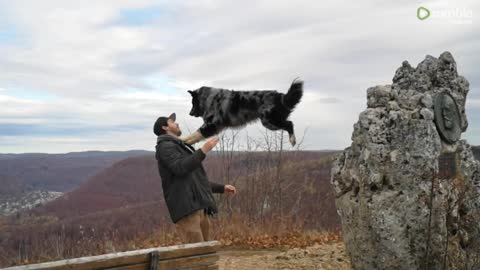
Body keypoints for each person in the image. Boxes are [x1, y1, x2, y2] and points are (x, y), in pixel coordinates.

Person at [153, 112, 236, 243]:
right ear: (165, 128)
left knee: (206, 251)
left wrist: (222, 188)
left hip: (198, 208)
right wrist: (203, 151)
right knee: (195, 254)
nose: (177, 123)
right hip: (187, 211)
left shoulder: (178, 146)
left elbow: (196, 181)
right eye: (172, 122)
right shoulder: (165, 147)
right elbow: (180, 168)